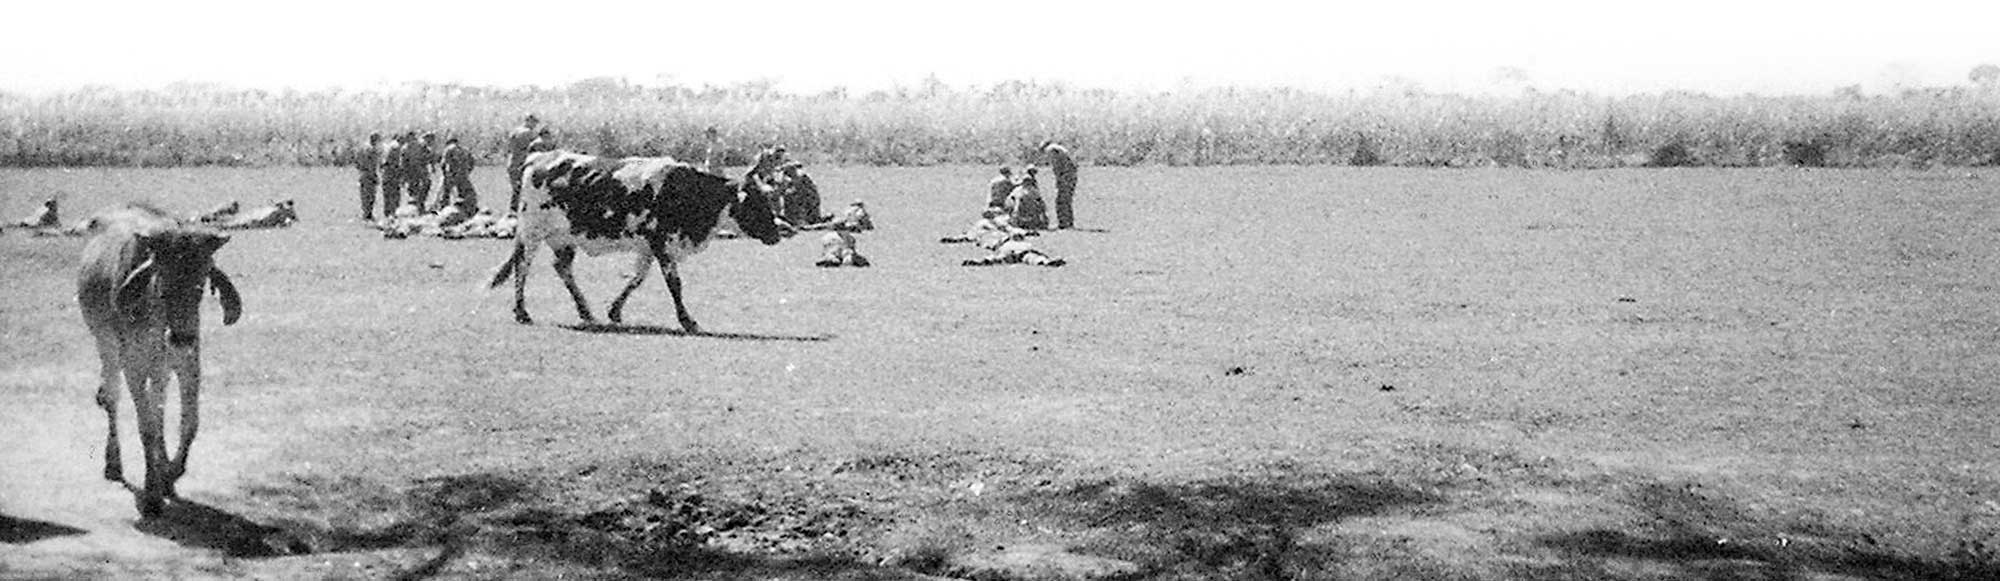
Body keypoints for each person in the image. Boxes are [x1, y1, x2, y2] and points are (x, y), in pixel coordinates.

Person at [506, 114, 542, 211]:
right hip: (521, 163)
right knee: (523, 190)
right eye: (534, 122)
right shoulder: (528, 133)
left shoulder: (514, 131)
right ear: (529, 121)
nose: (535, 125)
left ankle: (512, 211)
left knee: (516, 190)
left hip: (512, 162)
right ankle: (519, 212)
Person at [1041, 139, 1078, 229]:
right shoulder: (1060, 148)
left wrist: (1059, 179)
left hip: (1065, 178)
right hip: (1071, 177)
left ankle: (1063, 223)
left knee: (1061, 201)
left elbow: (1057, 166)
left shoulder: (1051, 149)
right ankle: (1069, 222)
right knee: (1067, 200)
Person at [438, 137, 479, 212]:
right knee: (464, 192)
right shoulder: (464, 150)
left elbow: (443, 163)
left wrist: (445, 174)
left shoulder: (448, 149)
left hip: (452, 174)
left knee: (446, 192)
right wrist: (468, 171)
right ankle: (467, 208)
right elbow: (472, 162)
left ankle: (442, 208)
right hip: (463, 174)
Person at [776, 161, 822, 226]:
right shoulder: (793, 178)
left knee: (790, 196)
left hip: (807, 202)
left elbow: (800, 189)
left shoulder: (801, 176)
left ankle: (800, 219)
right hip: (806, 201)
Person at [1005, 166, 1050, 230]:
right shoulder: (1034, 191)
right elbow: (1042, 205)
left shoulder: (1016, 191)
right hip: (1032, 220)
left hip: (1019, 220)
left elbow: (1008, 203)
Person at [405, 132, 439, 210]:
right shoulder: (421, 144)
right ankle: (419, 203)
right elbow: (419, 157)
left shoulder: (422, 145)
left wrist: (432, 164)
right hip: (416, 167)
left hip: (417, 167)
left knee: (420, 185)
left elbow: (429, 157)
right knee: (424, 184)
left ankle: (418, 202)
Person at [354, 132, 382, 221]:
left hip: (362, 173)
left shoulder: (362, 148)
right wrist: (374, 176)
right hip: (369, 174)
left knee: (364, 194)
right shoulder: (372, 150)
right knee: (370, 195)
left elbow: (356, 161)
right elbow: (372, 164)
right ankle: (368, 214)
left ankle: (365, 213)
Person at [378, 133, 407, 215]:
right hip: (392, 175)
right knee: (394, 196)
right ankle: (393, 215)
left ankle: (387, 214)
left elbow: (381, 162)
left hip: (386, 174)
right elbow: (398, 163)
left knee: (387, 196)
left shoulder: (387, 146)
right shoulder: (396, 148)